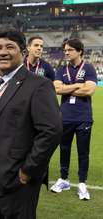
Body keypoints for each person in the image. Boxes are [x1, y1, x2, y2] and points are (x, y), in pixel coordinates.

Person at [0, 30, 62, 219]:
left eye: (10, 47)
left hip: (15, 175)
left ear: (24, 52)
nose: (2, 52)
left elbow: (51, 131)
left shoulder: (38, 84)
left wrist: (28, 170)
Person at [51, 38, 97, 200]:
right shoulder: (61, 69)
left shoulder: (89, 68)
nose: (66, 52)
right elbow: (56, 89)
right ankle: (64, 179)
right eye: (65, 50)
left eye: (70, 50)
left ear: (79, 51)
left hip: (83, 117)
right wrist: (78, 85)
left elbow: (89, 91)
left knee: (83, 152)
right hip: (65, 117)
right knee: (64, 149)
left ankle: (82, 183)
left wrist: (67, 88)